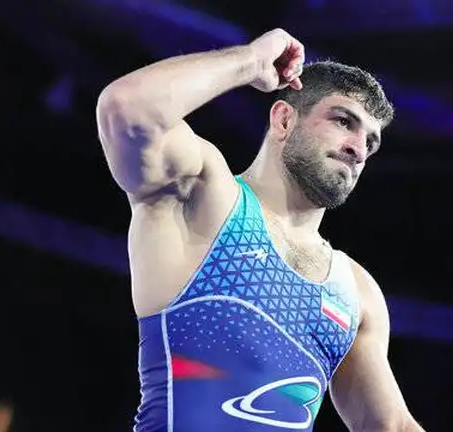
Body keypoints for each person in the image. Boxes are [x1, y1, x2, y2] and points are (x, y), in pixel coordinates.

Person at [96, 28, 424, 432]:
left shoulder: (356, 292)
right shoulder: (204, 194)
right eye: (344, 121)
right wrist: (251, 60)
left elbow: (392, 426)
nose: (358, 150)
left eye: (370, 143)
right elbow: (126, 108)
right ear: (284, 118)